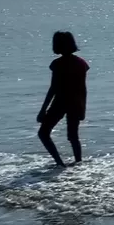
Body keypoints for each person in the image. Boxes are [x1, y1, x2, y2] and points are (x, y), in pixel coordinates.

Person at [37, 31, 89, 167]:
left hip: (60, 102)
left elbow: (53, 88)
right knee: (73, 137)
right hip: (77, 102)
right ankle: (79, 163)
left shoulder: (58, 64)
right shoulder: (82, 63)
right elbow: (83, 88)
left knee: (43, 133)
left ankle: (59, 163)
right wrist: (83, 108)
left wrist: (43, 110)